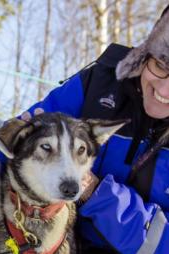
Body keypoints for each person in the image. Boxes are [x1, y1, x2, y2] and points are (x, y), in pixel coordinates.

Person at [20, 5, 169, 254]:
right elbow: (11, 148)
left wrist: (98, 194)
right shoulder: (98, 84)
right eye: (161, 65)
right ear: (144, 55)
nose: (164, 91)